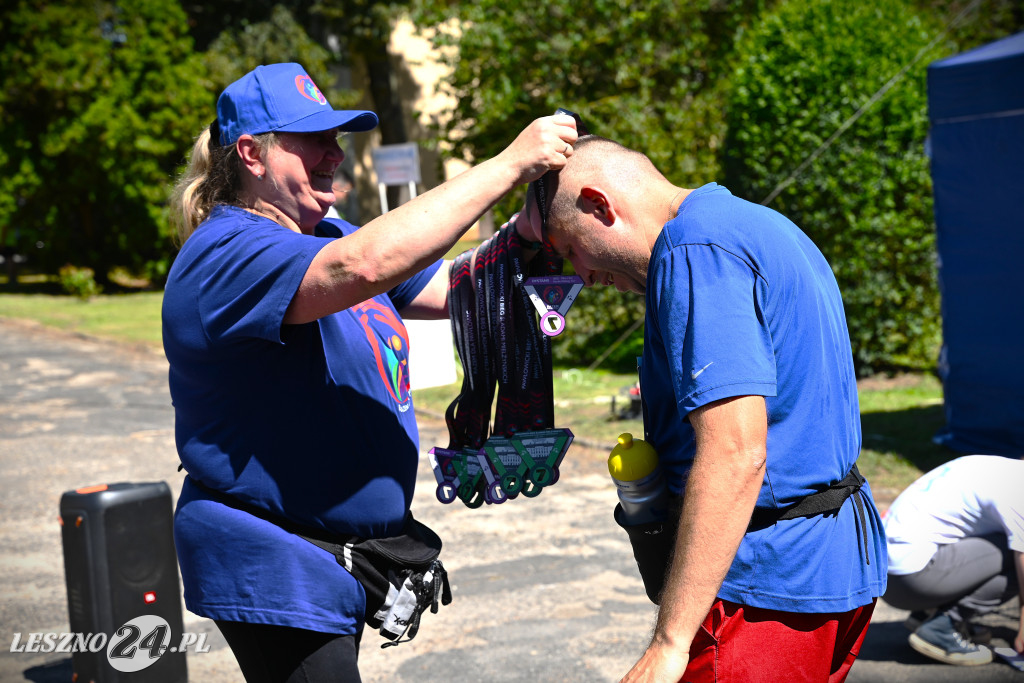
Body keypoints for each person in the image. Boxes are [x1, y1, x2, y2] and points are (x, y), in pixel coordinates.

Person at [163, 62, 577, 683]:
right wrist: (509, 164)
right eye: (313, 140)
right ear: (251, 153)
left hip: (332, 554)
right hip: (275, 555)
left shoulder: (325, 231)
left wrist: (527, 237)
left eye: (337, 137)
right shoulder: (226, 251)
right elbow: (363, 265)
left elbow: (455, 289)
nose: (335, 154)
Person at [515, 135, 887, 682]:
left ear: (599, 205)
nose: (578, 274)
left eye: (568, 248)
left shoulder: (694, 250)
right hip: (827, 565)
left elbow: (736, 452)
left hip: (766, 585)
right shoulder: (749, 223)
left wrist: (669, 643)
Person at [882, 454, 1024, 666]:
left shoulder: (999, 467)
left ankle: (926, 614)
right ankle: (943, 628)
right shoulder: (1018, 489)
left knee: (1002, 537)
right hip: (910, 580)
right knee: (1013, 551)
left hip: (886, 574)